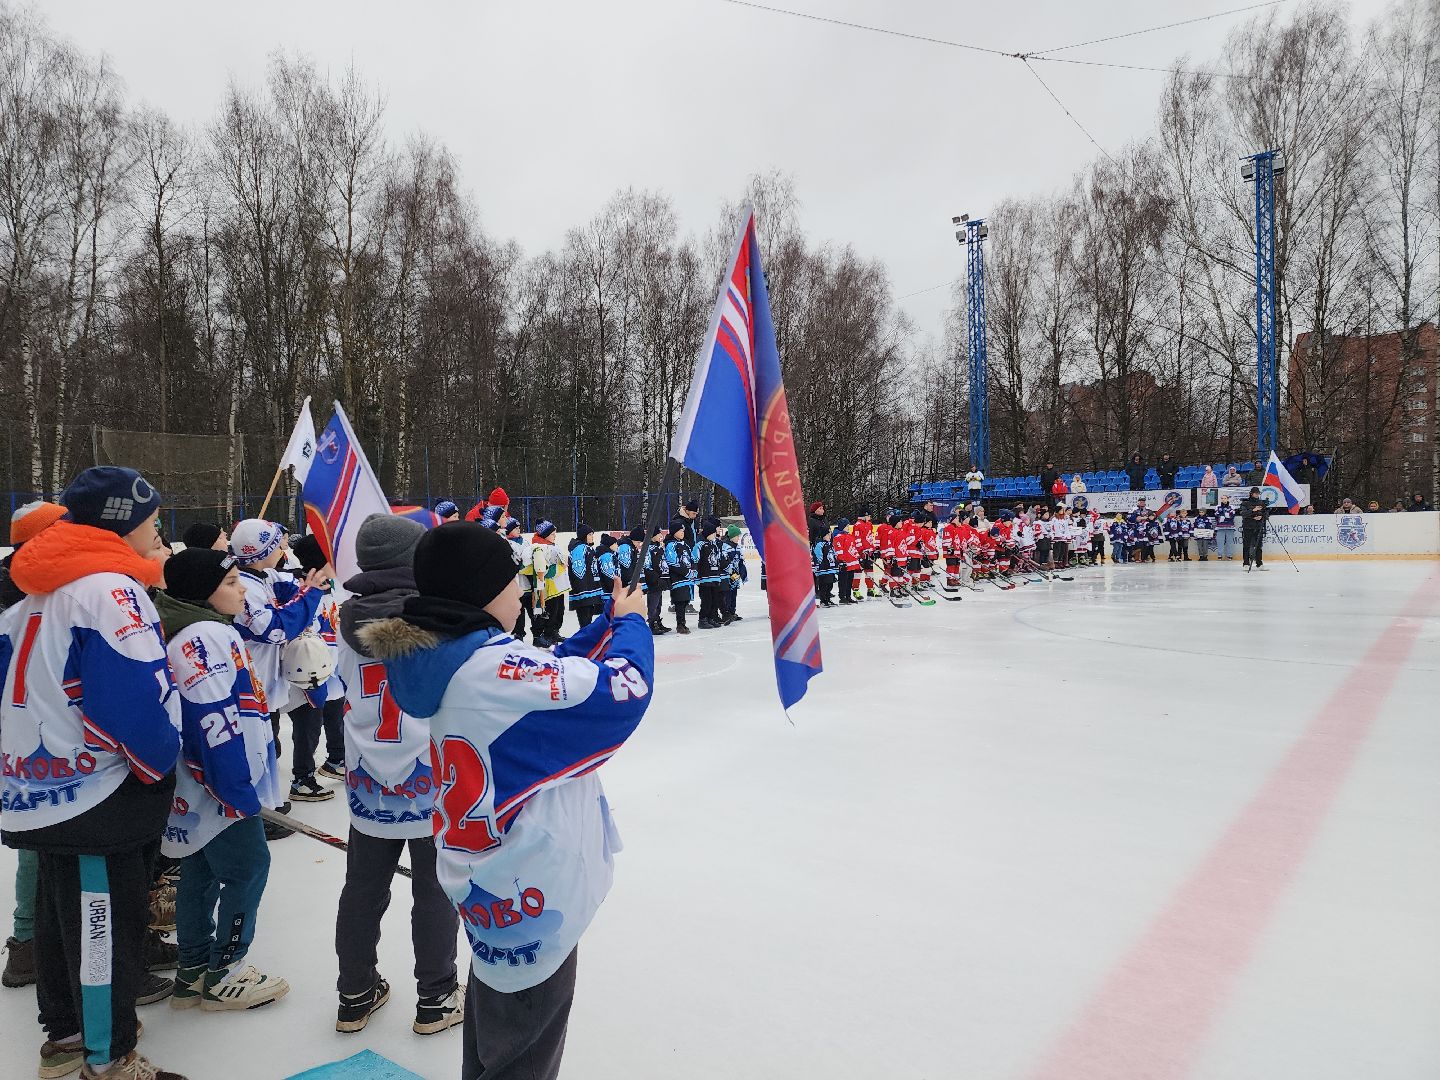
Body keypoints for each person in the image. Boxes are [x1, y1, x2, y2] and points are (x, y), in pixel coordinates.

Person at [354, 522, 654, 1080]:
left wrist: (605, 625)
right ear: (483, 591)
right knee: (524, 1044)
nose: (521, 592)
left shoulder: (449, 655)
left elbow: (551, 668)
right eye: (512, 581)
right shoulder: (492, 675)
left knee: (497, 1021)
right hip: (530, 890)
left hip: (491, 881)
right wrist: (634, 623)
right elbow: (622, 692)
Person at [0, 467, 191, 1080]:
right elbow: (132, 699)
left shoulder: (38, 589)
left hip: (40, 787)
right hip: (93, 794)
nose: (157, 532)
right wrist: (160, 766)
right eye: (151, 522)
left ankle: (67, 1040)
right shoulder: (109, 588)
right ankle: (109, 1059)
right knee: (104, 921)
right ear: (122, 523)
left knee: (62, 916)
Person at [332, 513, 463, 1037]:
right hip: (429, 776)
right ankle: (435, 997)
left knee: (362, 887)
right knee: (434, 888)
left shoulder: (344, 621)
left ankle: (354, 992)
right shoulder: (437, 618)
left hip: (369, 775)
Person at [153, 548, 289, 1013]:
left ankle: (193, 969)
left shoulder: (204, 631)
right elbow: (209, 718)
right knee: (249, 867)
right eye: (231, 583)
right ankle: (226, 971)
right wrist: (232, 789)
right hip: (216, 785)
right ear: (206, 594)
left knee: (201, 869)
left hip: (207, 785)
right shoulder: (203, 637)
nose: (240, 591)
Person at [1, 499, 67, 990]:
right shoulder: (27, 591)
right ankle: (31, 943)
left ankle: (29, 943)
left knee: (39, 838)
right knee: (43, 839)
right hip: (33, 734)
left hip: (30, 731)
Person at [227, 519, 328, 810]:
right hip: (249, 681)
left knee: (267, 745)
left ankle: (267, 803)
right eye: (277, 543)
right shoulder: (243, 586)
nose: (283, 546)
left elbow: (288, 585)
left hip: (262, 683)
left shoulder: (262, 577)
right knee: (254, 749)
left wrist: (308, 583)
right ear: (264, 551)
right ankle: (258, 810)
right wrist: (310, 594)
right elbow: (275, 629)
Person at [289, 534, 348, 790]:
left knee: (336, 712)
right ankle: (302, 778)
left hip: (331, 667)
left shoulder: (333, 586)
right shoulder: (301, 590)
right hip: (309, 671)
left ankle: (336, 758)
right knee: (308, 724)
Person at [567, 525, 604, 630]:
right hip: (584, 590)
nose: (592, 537)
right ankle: (584, 641)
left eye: (592, 534)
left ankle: (586, 638)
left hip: (590, 589)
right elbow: (578, 571)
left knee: (588, 618)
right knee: (585, 618)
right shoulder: (580, 548)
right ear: (584, 536)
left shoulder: (587, 548)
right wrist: (582, 588)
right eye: (590, 534)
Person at [693, 518, 726, 628]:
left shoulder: (714, 545)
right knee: (706, 601)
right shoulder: (700, 545)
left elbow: (718, 560)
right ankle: (702, 619)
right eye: (712, 534)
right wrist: (696, 576)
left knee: (714, 600)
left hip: (715, 578)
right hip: (704, 578)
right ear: (707, 534)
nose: (714, 536)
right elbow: (695, 560)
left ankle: (711, 618)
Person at [664, 519, 696, 634]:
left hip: (686, 579)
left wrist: (693, 570)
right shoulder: (671, 545)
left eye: (683, 530)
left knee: (685, 600)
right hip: (678, 579)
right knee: (680, 602)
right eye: (680, 530)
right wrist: (686, 572)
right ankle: (680, 625)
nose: (683, 532)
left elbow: (692, 559)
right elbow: (672, 562)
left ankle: (683, 623)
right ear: (674, 532)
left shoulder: (685, 544)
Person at [641, 523, 670, 635]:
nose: (660, 536)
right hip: (653, 581)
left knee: (659, 603)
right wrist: (655, 578)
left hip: (660, 580)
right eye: (658, 533)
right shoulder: (648, 548)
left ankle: (657, 620)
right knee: (653, 603)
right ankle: (652, 623)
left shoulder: (658, 547)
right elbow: (647, 566)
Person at [719, 525, 747, 621]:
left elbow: (741, 562)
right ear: (732, 536)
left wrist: (743, 574)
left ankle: (732, 612)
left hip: (735, 575)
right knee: (727, 594)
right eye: (737, 536)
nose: (739, 538)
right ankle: (726, 613)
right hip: (728, 575)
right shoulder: (725, 546)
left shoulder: (738, 547)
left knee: (734, 593)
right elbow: (724, 561)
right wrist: (731, 573)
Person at [1239, 487, 1268, 570]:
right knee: (1246, 545)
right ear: (1251, 493)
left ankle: (1259, 563)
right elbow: (1243, 513)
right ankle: (1246, 563)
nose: (1257, 495)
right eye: (1255, 493)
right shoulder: (1245, 503)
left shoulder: (1261, 503)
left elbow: (1266, 514)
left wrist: (1261, 517)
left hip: (1258, 527)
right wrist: (1253, 511)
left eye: (1258, 493)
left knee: (1259, 546)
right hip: (1248, 527)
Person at [1213, 495, 1238, 560]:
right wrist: (1224, 515)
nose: (1223, 499)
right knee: (1220, 542)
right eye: (1222, 498)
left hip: (1230, 526)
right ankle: (1220, 555)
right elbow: (1216, 515)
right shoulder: (1217, 506)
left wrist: (1224, 516)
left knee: (1230, 542)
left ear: (1227, 499)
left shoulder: (1232, 506)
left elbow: (1232, 515)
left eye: (1225, 498)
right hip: (1220, 527)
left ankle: (1229, 555)